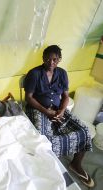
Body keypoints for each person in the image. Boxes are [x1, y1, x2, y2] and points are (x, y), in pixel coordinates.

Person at [24, 45, 94, 188]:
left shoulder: (62, 73)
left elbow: (66, 96)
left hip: (57, 109)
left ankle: (76, 164)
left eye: (55, 59)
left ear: (59, 60)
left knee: (84, 131)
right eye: (48, 59)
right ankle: (46, 170)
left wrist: (62, 110)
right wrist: (45, 111)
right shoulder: (34, 73)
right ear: (43, 58)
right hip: (38, 109)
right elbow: (29, 98)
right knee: (44, 139)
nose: (51, 62)